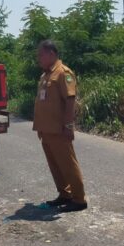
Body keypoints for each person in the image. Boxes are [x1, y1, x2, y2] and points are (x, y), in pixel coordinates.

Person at [33, 40, 87, 211]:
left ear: (51, 54)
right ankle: (65, 194)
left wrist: (69, 126)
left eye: (41, 54)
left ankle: (79, 199)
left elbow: (70, 100)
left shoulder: (63, 73)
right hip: (46, 130)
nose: (38, 58)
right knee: (55, 165)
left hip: (59, 130)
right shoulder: (45, 75)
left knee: (68, 164)